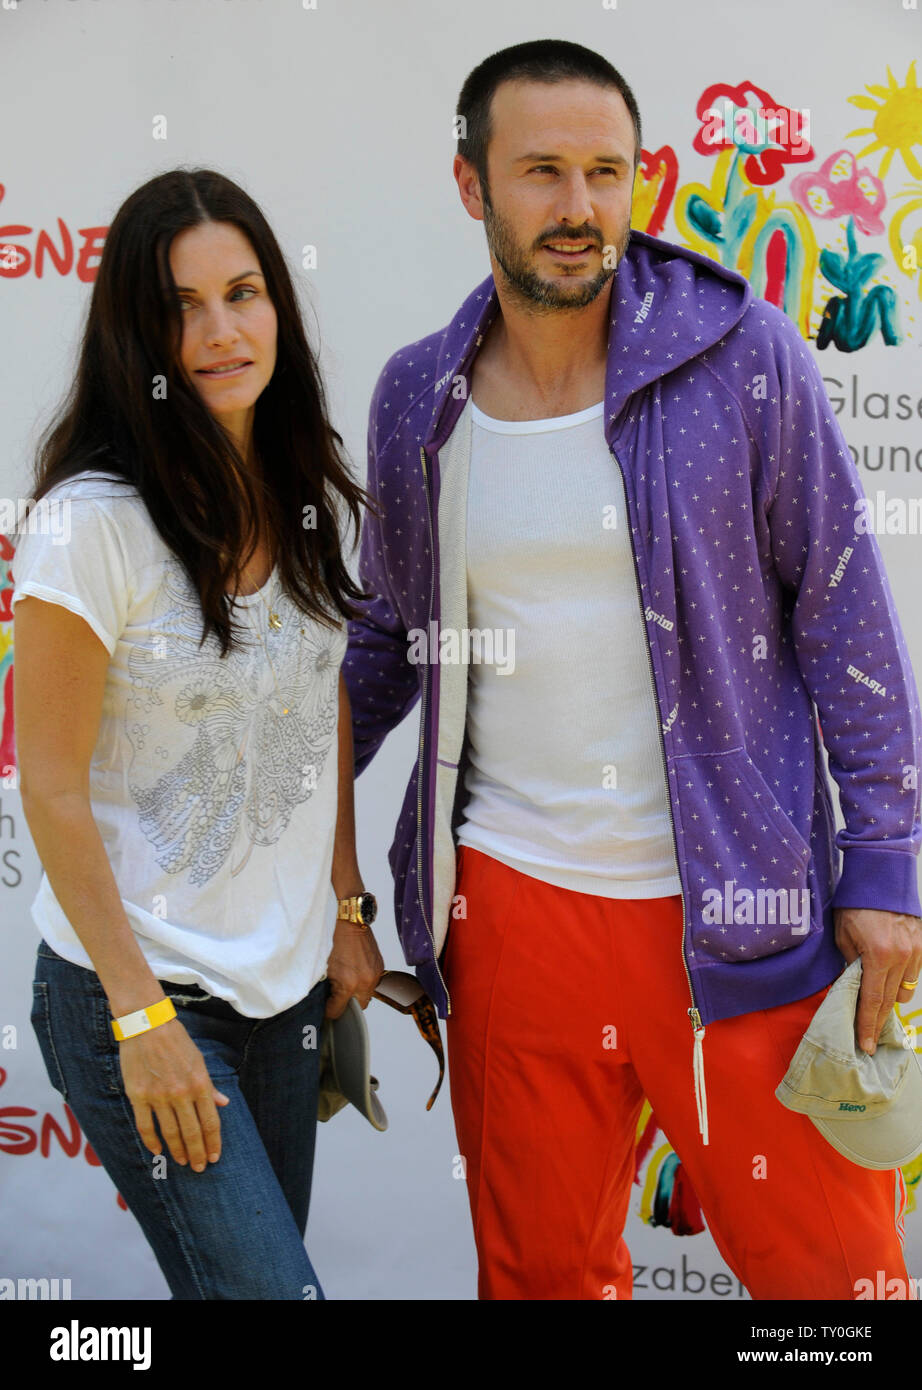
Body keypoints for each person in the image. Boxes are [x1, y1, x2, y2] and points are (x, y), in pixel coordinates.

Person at [343, 40, 922, 1299]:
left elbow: (846, 621)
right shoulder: (417, 398)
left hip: (741, 910)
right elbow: (382, 642)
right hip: (506, 912)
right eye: (541, 172)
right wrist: (302, 860)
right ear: (469, 185)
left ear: (641, 180)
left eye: (606, 172)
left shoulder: (744, 355)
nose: (578, 208)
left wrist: (884, 863)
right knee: (544, 1275)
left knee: (832, 1282)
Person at [12, 168, 383, 1300]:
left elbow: (318, 699)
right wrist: (140, 1017)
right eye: (183, 307)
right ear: (139, 333)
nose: (222, 331)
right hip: (142, 991)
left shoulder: (300, 486)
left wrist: (348, 908)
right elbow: (52, 786)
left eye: (244, 291)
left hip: (286, 998)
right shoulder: (91, 525)